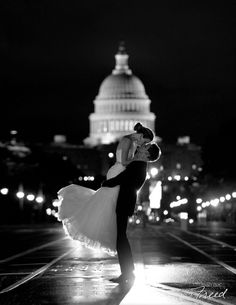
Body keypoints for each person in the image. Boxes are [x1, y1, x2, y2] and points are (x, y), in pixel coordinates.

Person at [57, 122, 154, 255]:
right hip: (119, 170)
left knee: (108, 205)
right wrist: (137, 159)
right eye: (145, 141)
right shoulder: (127, 141)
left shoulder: (133, 145)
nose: (143, 145)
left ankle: (112, 232)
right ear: (141, 135)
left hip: (121, 173)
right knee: (108, 203)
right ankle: (110, 232)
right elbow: (124, 161)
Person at [102, 143, 161, 284]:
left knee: (121, 238)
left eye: (145, 147)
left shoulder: (139, 165)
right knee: (120, 238)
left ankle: (127, 273)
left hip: (124, 202)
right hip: (125, 202)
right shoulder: (138, 164)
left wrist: (106, 183)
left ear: (147, 154)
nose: (142, 146)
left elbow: (122, 178)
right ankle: (128, 272)